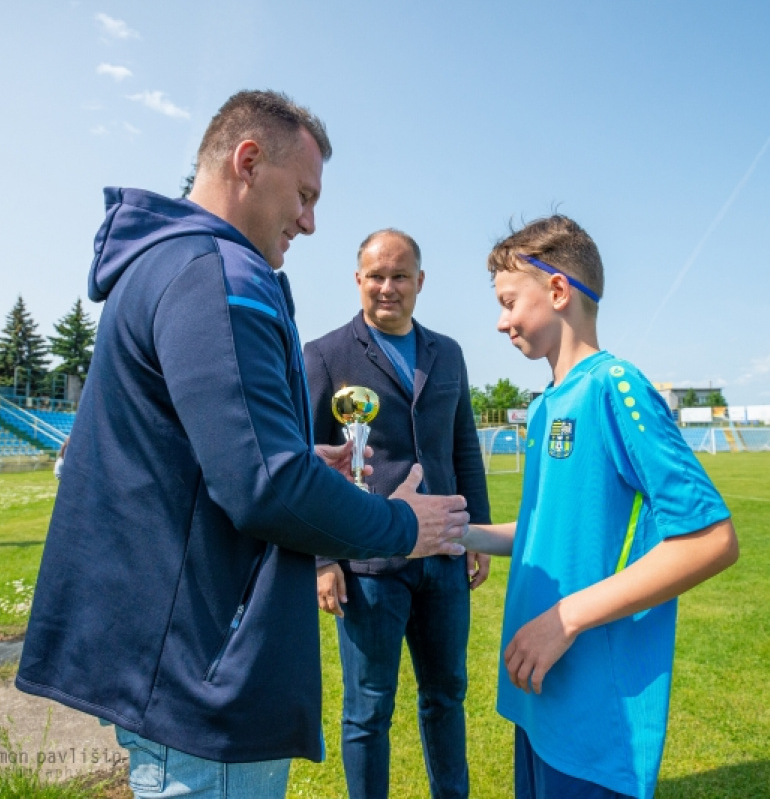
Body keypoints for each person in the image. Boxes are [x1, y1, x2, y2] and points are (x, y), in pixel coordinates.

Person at [16, 90, 469, 799]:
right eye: (305, 196)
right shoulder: (218, 274)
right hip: (205, 675)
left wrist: (291, 456)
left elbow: (211, 457)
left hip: (175, 659)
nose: (310, 223)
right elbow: (267, 486)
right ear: (249, 162)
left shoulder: (171, 263)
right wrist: (406, 525)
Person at [459, 215, 739, 799]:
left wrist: (565, 618)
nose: (500, 320)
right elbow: (545, 528)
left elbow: (711, 540)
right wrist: (459, 533)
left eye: (510, 301)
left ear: (558, 291)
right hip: (541, 696)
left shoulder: (615, 386)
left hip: (593, 714)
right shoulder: (544, 407)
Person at [304, 229, 491, 799]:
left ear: (420, 282)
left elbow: (463, 448)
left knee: (447, 694)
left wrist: (475, 531)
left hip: (443, 557)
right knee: (368, 709)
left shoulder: (448, 352)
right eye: (377, 276)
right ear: (358, 280)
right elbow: (306, 462)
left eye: (400, 276)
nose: (388, 287)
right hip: (369, 563)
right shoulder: (325, 354)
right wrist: (322, 558)